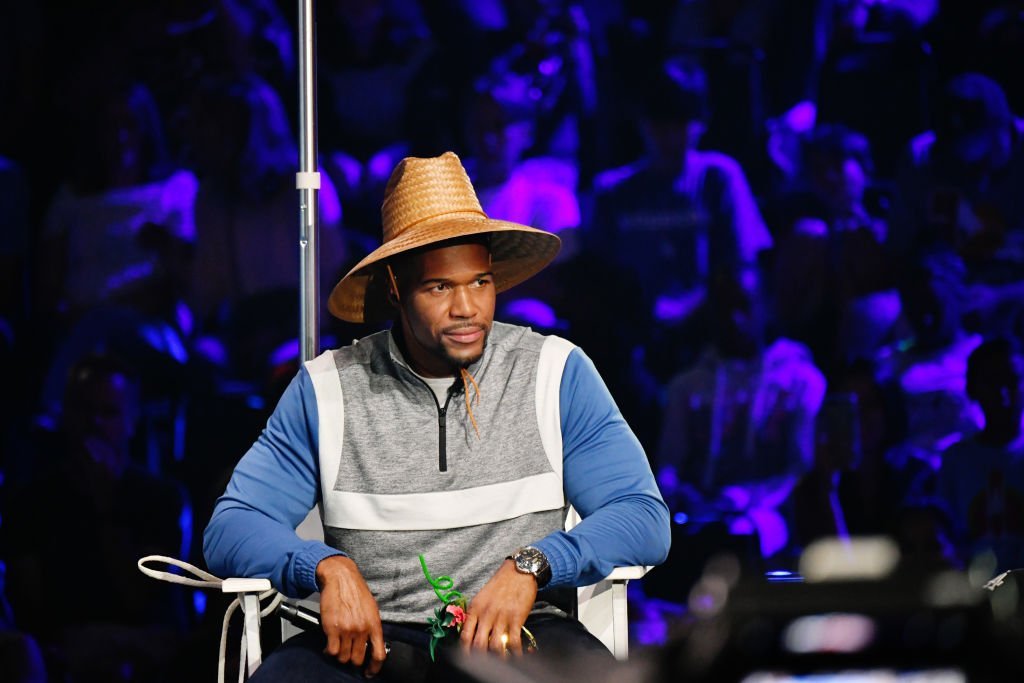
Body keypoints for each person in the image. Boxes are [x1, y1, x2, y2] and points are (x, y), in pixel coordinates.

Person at [203, 152, 671, 681]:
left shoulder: (554, 371)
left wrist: (534, 565)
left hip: (520, 637)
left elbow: (643, 517)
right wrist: (324, 567)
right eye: (440, 287)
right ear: (398, 290)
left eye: (480, 282)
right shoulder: (329, 387)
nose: (468, 308)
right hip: (371, 644)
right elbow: (231, 527)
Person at [937, 339, 1024, 573]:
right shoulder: (956, 461)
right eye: (992, 383)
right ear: (973, 390)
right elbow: (944, 536)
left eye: (1012, 381)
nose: (1003, 394)